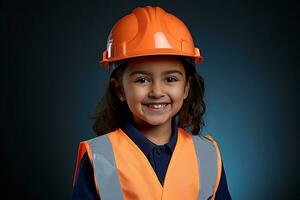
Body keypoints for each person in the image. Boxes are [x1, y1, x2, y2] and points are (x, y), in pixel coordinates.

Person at [72, 6, 232, 200]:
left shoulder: (207, 155)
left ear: (186, 88)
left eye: (171, 79)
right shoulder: (99, 158)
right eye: (142, 80)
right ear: (120, 90)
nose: (157, 92)